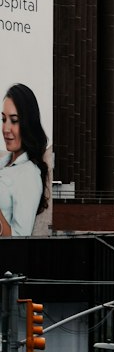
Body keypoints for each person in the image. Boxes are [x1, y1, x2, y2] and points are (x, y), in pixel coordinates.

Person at [0, 83, 49, 237]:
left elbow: (19, 241)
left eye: (14, 121)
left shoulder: (29, 175)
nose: (6, 129)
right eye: (3, 119)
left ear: (28, 124)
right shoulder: (4, 162)